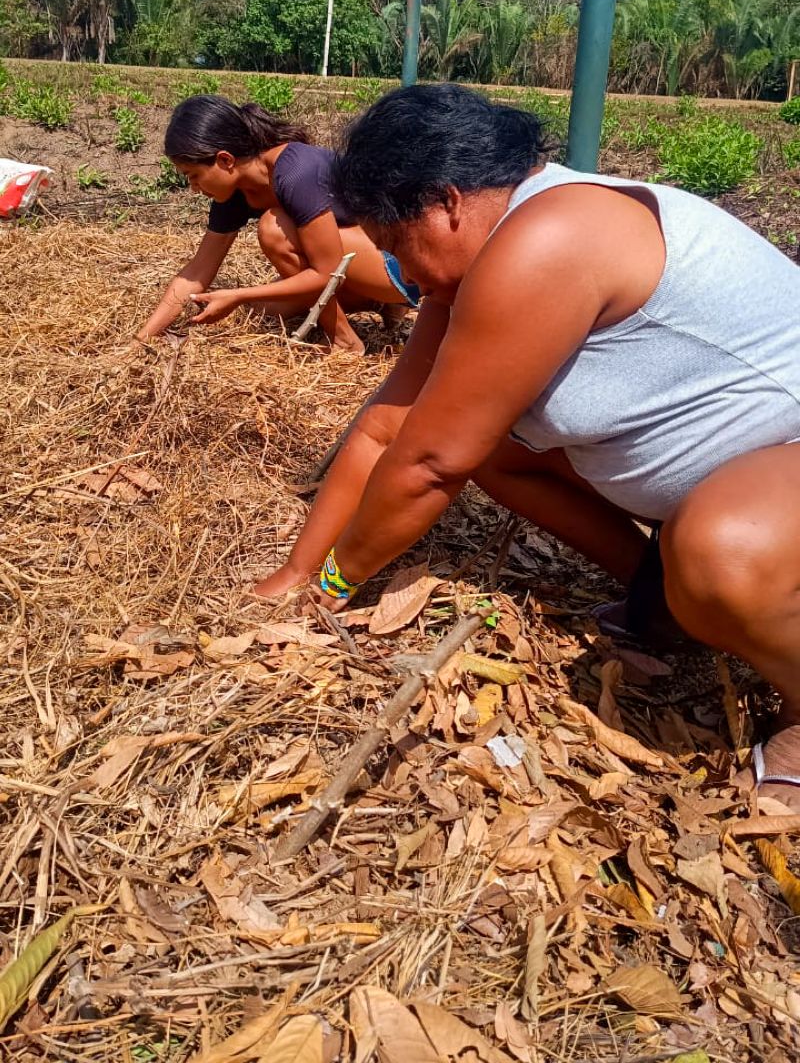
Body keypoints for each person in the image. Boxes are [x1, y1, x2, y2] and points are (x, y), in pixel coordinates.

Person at [255, 82, 800, 811]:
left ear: (447, 203)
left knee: (722, 554)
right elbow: (393, 428)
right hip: (744, 462)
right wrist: (298, 568)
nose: (403, 281)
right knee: (496, 449)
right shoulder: (488, 247)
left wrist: (332, 589)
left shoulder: (546, 241)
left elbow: (427, 467)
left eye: (396, 251)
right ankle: (660, 593)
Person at [134, 95, 419, 353]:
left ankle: (345, 340)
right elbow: (196, 273)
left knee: (273, 228)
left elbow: (326, 273)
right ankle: (379, 304)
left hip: (401, 267)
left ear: (225, 160)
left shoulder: (295, 171)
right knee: (263, 309)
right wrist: (141, 340)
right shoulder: (234, 195)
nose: (193, 188)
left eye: (193, 175)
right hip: (353, 269)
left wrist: (237, 294)